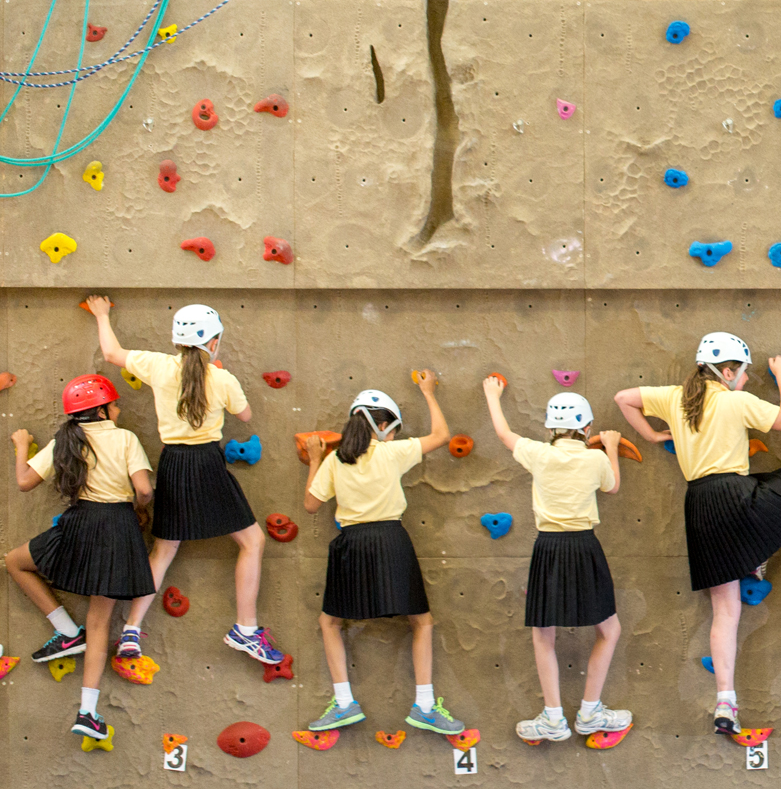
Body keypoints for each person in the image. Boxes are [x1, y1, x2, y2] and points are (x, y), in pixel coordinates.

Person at [612, 332, 781, 737]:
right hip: (737, 495)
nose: (745, 379)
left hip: (700, 504)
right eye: (743, 372)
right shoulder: (733, 400)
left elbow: (622, 399)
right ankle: (756, 554)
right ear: (726, 371)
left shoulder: (674, 397)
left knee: (725, 611)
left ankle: (726, 702)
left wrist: (651, 435)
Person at [85, 296, 282, 667]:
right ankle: (246, 628)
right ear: (213, 342)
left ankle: (131, 631)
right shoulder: (222, 378)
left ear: (177, 340)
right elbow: (246, 413)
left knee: (164, 549)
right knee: (252, 541)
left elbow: (111, 353)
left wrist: (102, 314)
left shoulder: (158, 366)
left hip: (173, 463)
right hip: (208, 463)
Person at [301, 370, 465, 736]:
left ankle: (344, 702)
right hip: (391, 540)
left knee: (330, 622)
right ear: (384, 427)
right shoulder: (393, 452)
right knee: (421, 621)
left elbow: (311, 504)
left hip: (351, 543)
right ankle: (424, 706)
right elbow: (441, 435)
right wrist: (427, 391)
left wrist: (314, 458)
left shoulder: (336, 461)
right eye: (394, 429)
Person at [5, 375, 154, 740]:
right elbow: (145, 489)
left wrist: (21, 444)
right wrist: (141, 508)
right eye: (114, 404)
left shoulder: (66, 440)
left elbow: (24, 481)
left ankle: (67, 630)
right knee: (100, 623)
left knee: (15, 561)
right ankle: (88, 711)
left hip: (80, 523)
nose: (118, 409)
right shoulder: (125, 438)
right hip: (118, 525)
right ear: (102, 408)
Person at [482, 377, 631, 742]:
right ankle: (590, 711)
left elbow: (504, 434)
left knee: (542, 633)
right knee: (609, 630)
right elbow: (612, 487)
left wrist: (491, 395)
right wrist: (610, 446)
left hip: (548, 548)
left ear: (550, 427)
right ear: (587, 428)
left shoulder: (539, 453)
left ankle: (553, 719)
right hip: (584, 547)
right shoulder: (595, 456)